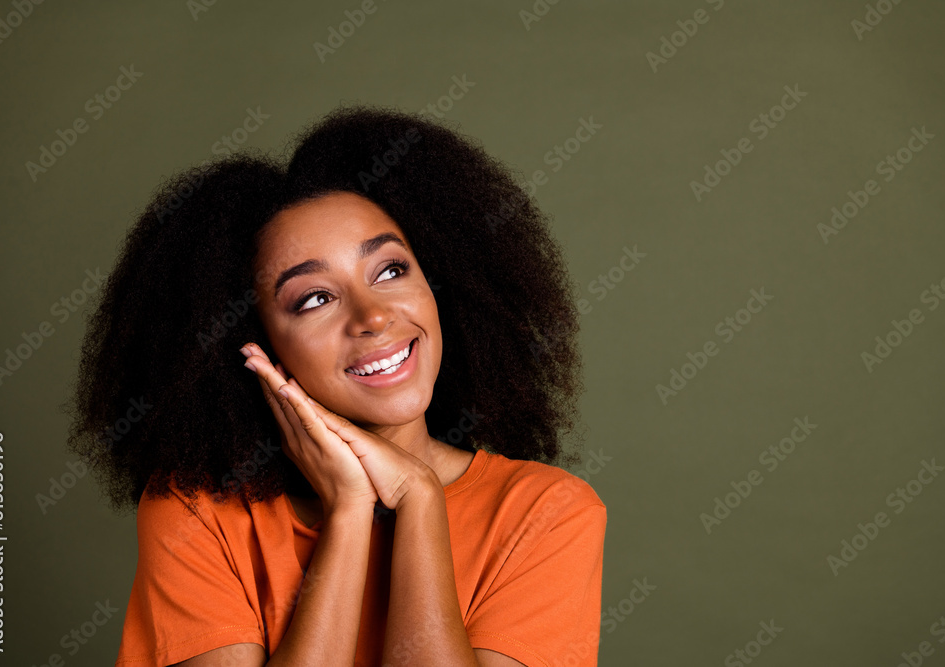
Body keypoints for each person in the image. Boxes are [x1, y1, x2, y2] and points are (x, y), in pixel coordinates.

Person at [66, 105, 606, 666]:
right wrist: (349, 510)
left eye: (391, 270)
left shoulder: (546, 513)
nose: (372, 316)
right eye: (315, 299)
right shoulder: (199, 513)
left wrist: (420, 500)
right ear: (257, 344)